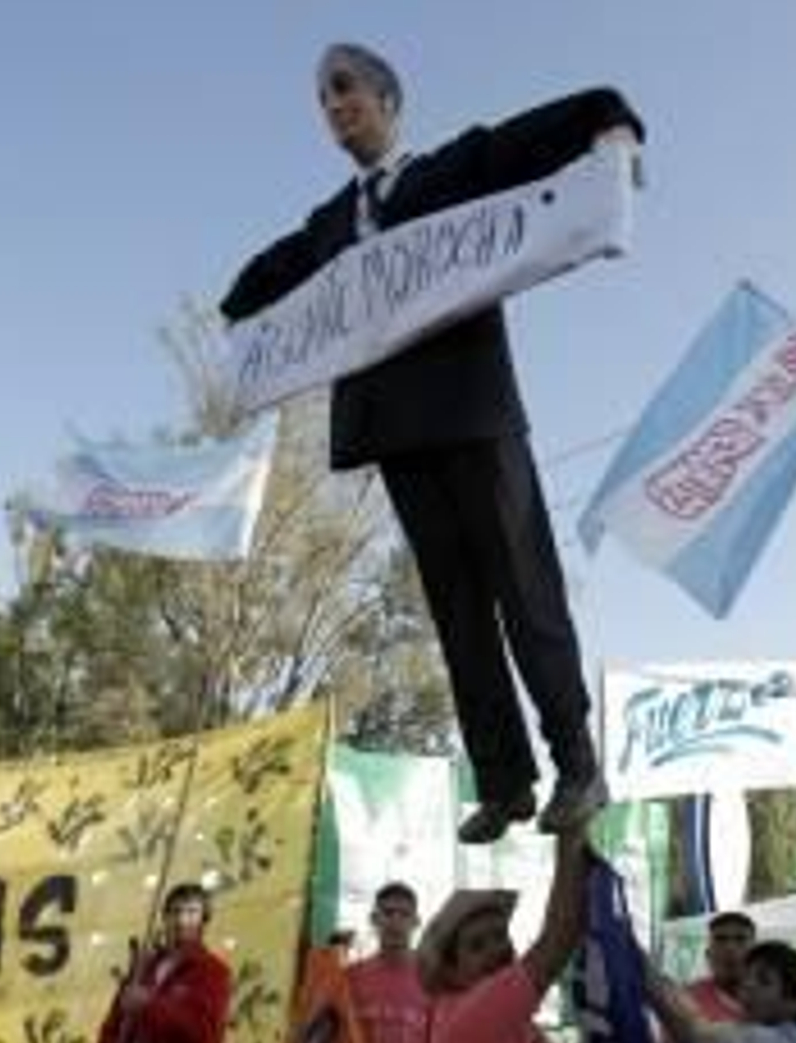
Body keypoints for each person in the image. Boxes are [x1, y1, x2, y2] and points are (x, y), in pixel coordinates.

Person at [219, 43, 645, 844]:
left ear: (387, 98)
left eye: (344, 89)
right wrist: (241, 324)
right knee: (455, 609)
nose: (332, 107)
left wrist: (610, 121)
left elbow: (545, 130)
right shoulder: (328, 226)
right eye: (322, 98)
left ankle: (576, 761)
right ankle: (504, 779)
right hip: (396, 430)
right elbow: (255, 286)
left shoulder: (450, 172)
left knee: (525, 587)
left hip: (476, 412)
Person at [415, 814, 595, 1043]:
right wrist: (572, 830)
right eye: (477, 945)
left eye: (500, 935)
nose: (497, 949)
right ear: (450, 972)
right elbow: (557, 941)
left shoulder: (507, 1018)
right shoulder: (470, 1016)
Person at [97, 882, 232, 1043]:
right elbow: (114, 1023)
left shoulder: (213, 971)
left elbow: (204, 1032)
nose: (181, 920)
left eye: (192, 912)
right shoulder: (142, 968)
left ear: (203, 920)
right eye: (175, 912)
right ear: (164, 917)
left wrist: (150, 1005)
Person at [643, 939, 796, 1043]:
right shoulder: (795, 1039)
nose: (748, 984)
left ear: (794, 1001)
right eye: (747, 976)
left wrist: (639, 964)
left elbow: (693, 1034)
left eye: (764, 980)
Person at [346, 882, 428, 1043]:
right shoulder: (350, 978)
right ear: (374, 919)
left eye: (404, 914)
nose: (396, 922)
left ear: (416, 922)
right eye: (388, 913)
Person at [685, 912, 757, 1023]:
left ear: (756, 954)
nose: (730, 948)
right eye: (720, 939)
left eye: (740, 939)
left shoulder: (776, 1000)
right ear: (708, 954)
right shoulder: (686, 999)